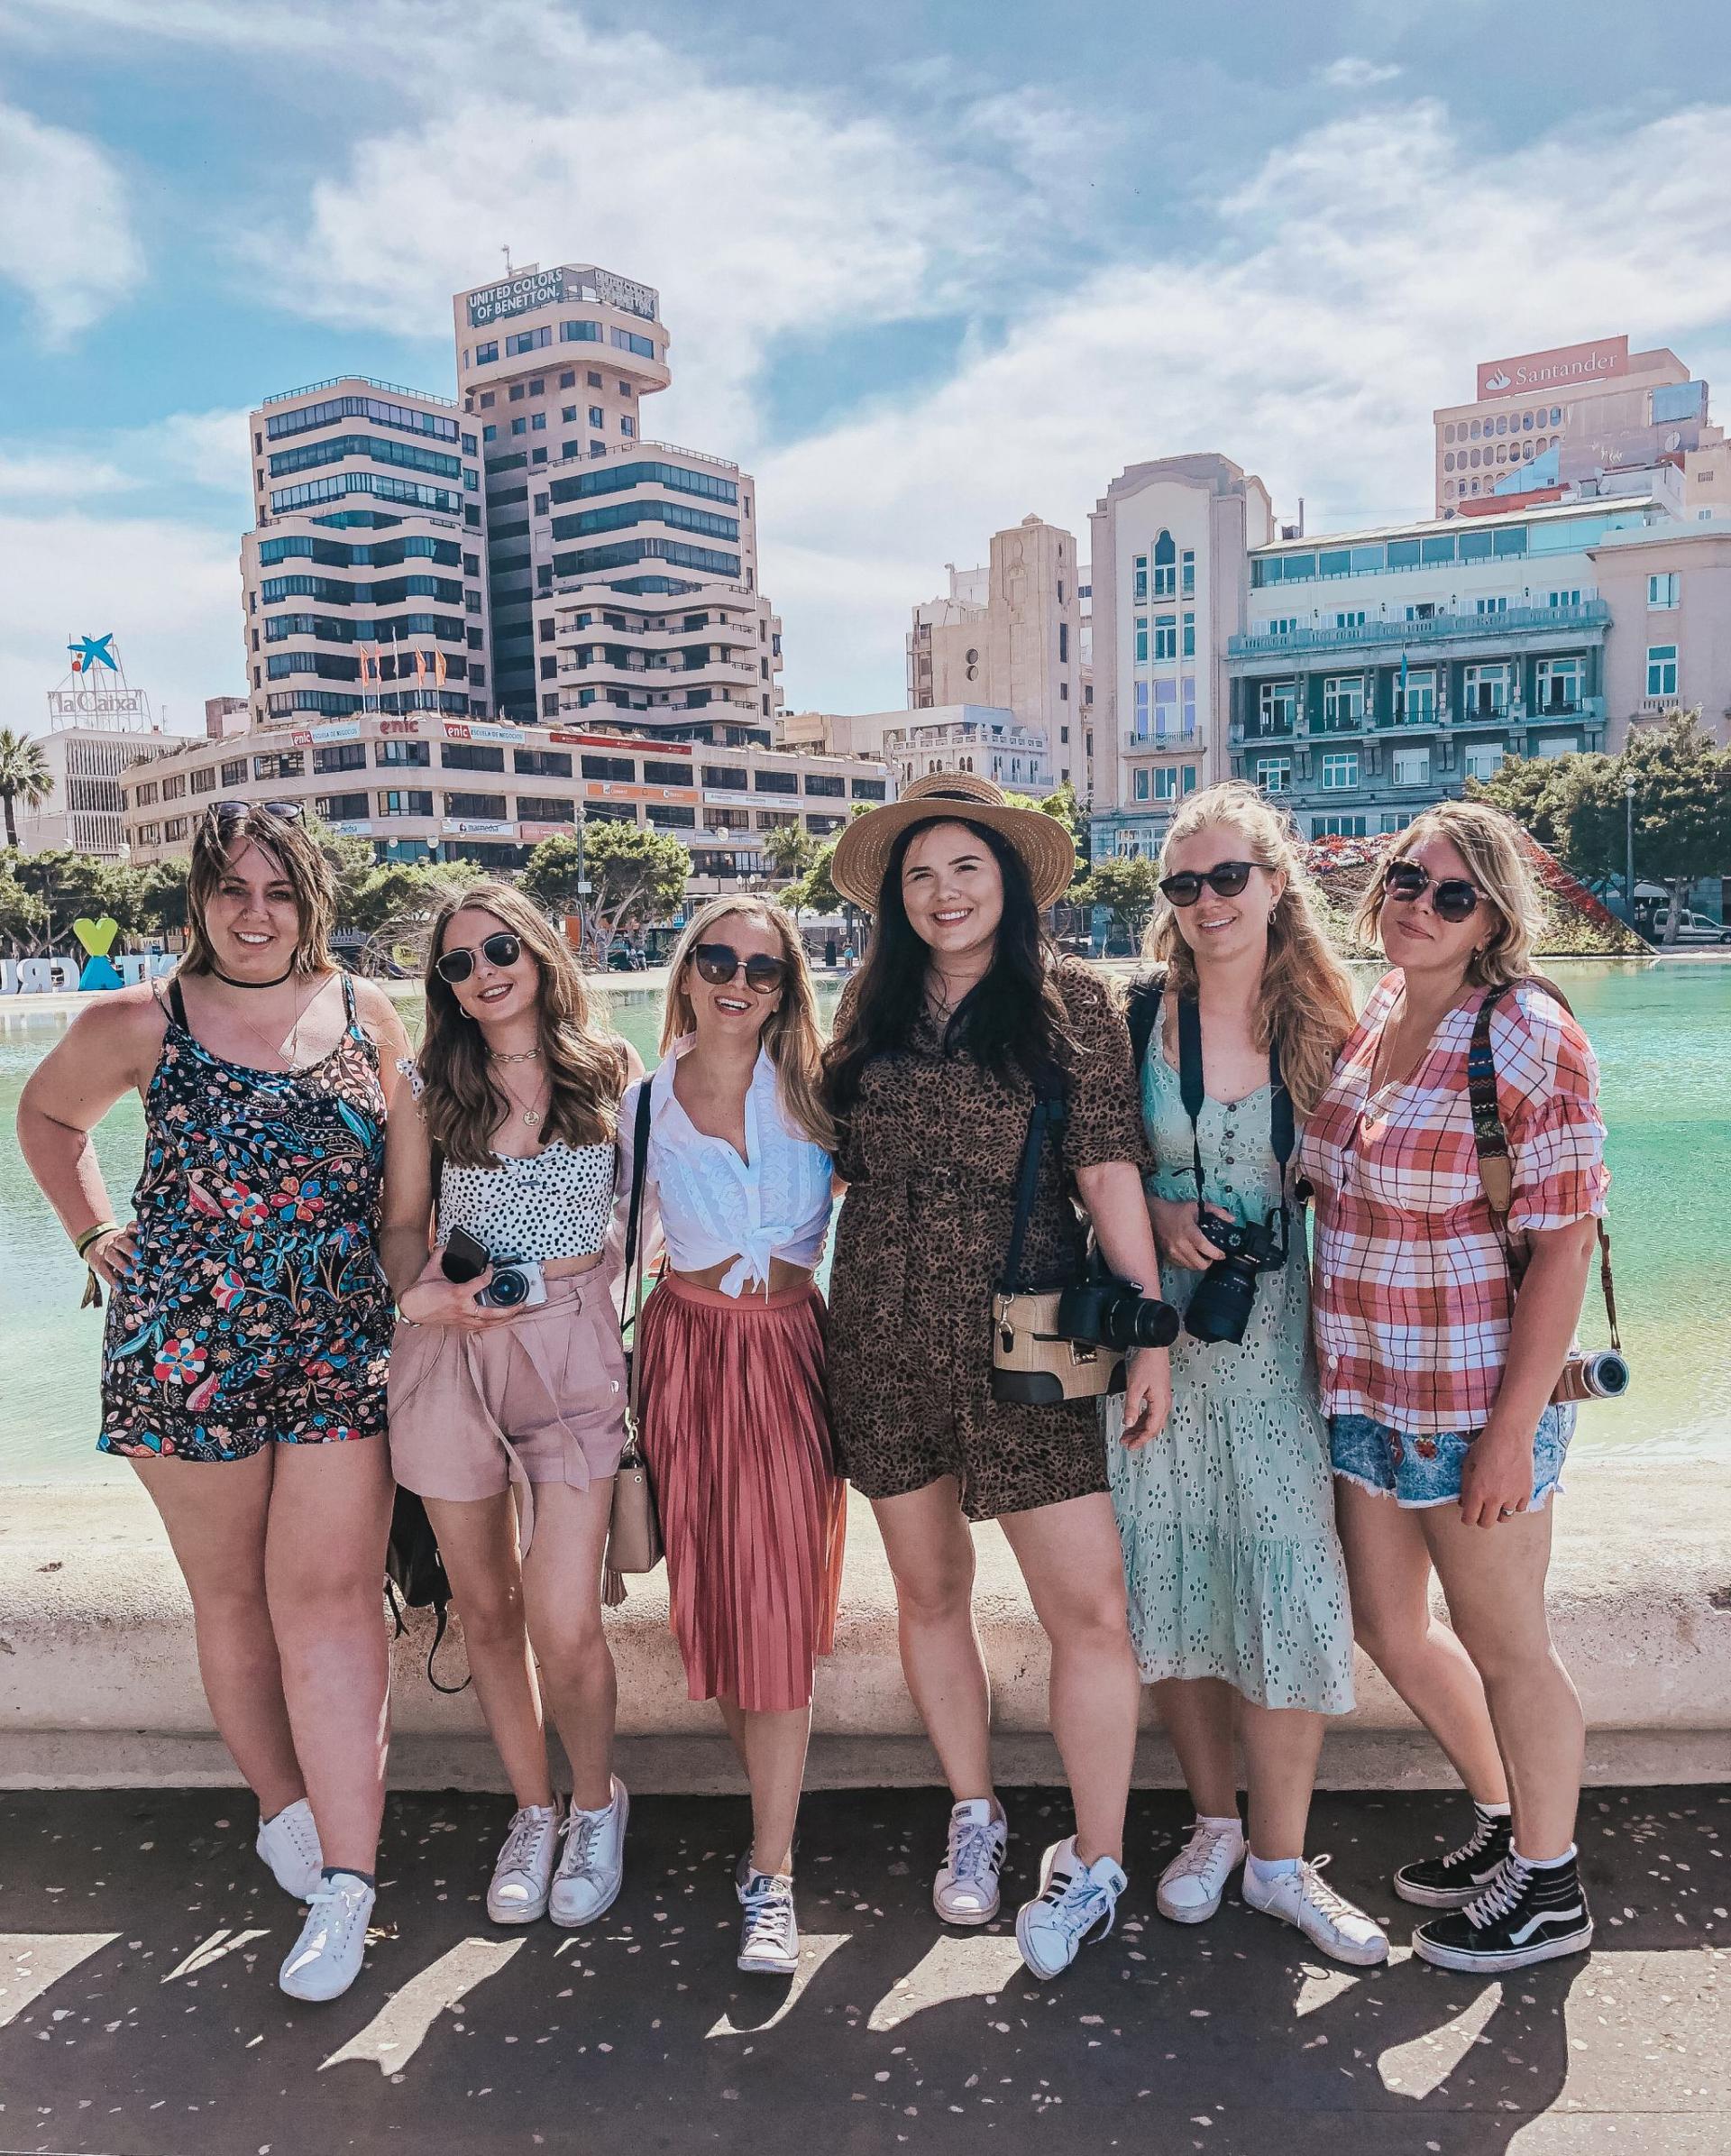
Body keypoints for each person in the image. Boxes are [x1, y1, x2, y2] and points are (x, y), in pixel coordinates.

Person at [17, 801, 411, 2004]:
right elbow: (47, 1116)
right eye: (233, 888)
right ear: (197, 897)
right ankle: (283, 1807)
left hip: (340, 1342)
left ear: (312, 900)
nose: (255, 913)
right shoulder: (140, 1019)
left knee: (333, 1598)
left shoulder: (368, 1013)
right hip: (188, 1347)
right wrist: (93, 1230)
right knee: (233, 1593)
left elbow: (404, 1196)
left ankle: (349, 1880)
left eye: (279, 890)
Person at [822, 773, 1172, 1980]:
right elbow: (821, 1162)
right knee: (929, 1592)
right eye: (920, 873)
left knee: (1091, 1608)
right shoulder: (867, 1002)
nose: (943, 892)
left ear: (1010, 881)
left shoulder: (1074, 1000)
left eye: (966, 867)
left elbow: (1109, 1168)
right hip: (880, 1329)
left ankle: (1098, 1854)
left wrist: (1152, 1330)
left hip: (1032, 1332)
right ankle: (973, 1809)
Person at [1302, 799, 1607, 1974]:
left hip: (1473, 1401)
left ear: (1493, 918)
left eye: (1451, 894)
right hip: (1369, 1390)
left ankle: (1550, 1883)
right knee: (1388, 1623)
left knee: (1508, 1644)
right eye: (1404, 880)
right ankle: (1506, 1819)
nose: (1418, 906)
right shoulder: (1381, 1007)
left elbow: (1565, 1247)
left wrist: (1511, 1431)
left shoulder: (1525, 1031)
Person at [1106, 783, 1386, 1967]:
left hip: (1278, 1348)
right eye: (1185, 883)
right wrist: (1161, 1207)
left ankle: (1281, 1857)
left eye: (1229, 877)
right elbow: (1091, 1163)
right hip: (1155, 1343)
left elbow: (1382, 1184)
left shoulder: (1330, 1017)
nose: (1207, 901)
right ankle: (1213, 1823)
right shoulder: (1135, 1016)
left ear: (1276, 881)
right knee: (1169, 1573)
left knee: (1287, 1579)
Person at [380, 883, 639, 1937]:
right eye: (458, 963)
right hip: (453, 1351)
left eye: (499, 950)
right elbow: (403, 1223)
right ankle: (533, 1811)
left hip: (574, 1353)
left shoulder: (611, 1069)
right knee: (485, 1609)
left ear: (538, 953)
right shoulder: (427, 1086)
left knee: (565, 1616)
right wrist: (421, 1298)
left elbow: (666, 1202)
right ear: (443, 986)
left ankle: (597, 1806)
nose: (483, 973)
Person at [619, 896, 846, 1977]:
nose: (737, 982)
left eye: (762, 968)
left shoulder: (820, 1091)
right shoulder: (642, 1103)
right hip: (687, 1356)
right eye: (716, 960)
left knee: (779, 1609)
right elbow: (603, 1243)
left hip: (791, 1352)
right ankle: (769, 1832)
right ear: (687, 971)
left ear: (788, 986)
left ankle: (773, 1872)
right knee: (715, 1601)